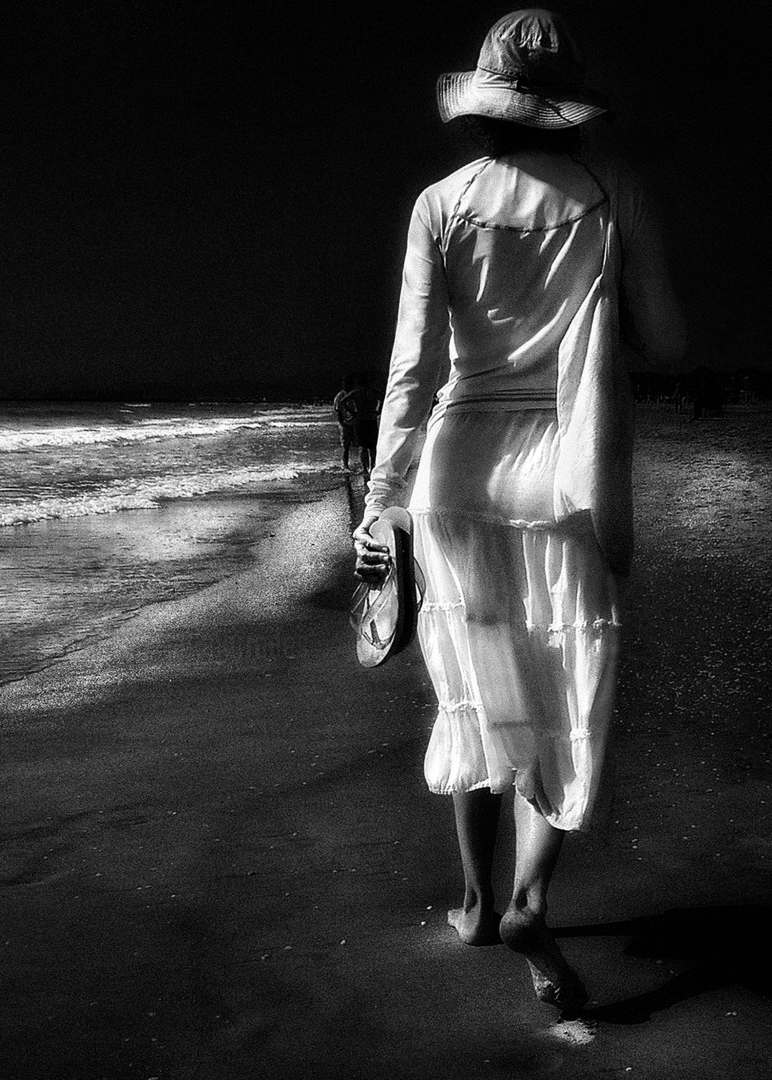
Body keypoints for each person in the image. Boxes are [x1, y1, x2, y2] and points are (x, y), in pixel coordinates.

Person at [352, 10, 684, 1012]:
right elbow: (667, 338)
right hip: (564, 467)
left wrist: (381, 499)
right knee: (557, 688)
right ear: (567, 104)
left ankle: (473, 901)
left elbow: (412, 370)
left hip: (456, 468)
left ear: (488, 105)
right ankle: (532, 901)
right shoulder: (613, 193)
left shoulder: (441, 203)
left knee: (473, 685)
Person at [338, 373, 382, 478]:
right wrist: (378, 410)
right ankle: (372, 467)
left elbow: (343, 401)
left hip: (361, 419)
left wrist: (352, 412)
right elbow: (383, 397)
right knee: (372, 446)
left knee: (363, 445)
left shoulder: (356, 392)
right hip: (371, 418)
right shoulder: (372, 392)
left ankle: (364, 468)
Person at [332, 375, 356, 468]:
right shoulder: (340, 396)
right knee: (346, 446)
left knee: (358, 445)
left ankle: (359, 464)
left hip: (355, 422)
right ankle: (345, 465)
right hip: (345, 423)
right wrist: (342, 424)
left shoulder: (354, 393)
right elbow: (338, 412)